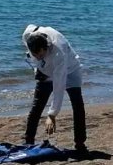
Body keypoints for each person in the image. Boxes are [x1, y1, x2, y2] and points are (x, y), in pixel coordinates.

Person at [21, 24, 88, 157]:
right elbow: (33, 54)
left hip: (70, 70)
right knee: (37, 105)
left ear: (46, 47)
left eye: (40, 54)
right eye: (35, 54)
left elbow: (59, 86)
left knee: (77, 105)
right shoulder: (29, 36)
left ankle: (80, 144)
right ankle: (28, 142)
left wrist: (52, 114)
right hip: (46, 70)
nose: (37, 57)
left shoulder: (59, 52)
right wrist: (38, 66)